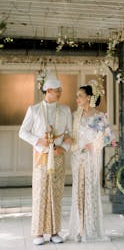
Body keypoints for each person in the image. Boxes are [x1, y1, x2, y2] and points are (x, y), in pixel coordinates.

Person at [19, 77, 72, 246]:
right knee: (40, 193)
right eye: (57, 91)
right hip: (41, 157)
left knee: (56, 194)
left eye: (60, 91)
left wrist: (63, 148)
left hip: (58, 156)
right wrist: (37, 141)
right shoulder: (33, 110)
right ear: (48, 91)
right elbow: (23, 132)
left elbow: (70, 134)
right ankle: (39, 232)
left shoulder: (65, 110)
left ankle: (55, 231)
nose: (60, 94)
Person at [68, 80, 115, 242]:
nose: (77, 99)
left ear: (89, 97)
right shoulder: (75, 116)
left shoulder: (100, 117)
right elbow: (71, 136)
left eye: (80, 96)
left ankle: (90, 227)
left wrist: (93, 144)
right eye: (77, 96)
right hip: (77, 158)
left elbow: (108, 137)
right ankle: (79, 228)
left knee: (90, 191)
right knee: (78, 191)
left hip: (91, 158)